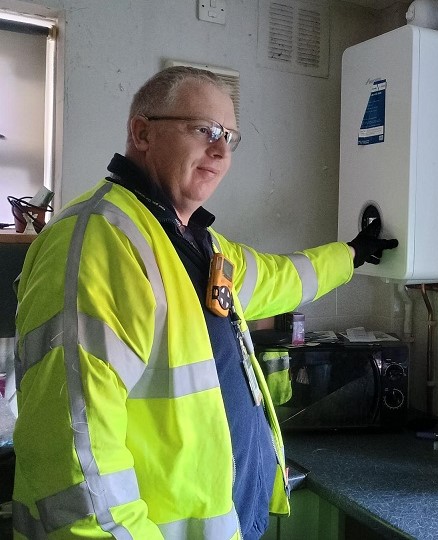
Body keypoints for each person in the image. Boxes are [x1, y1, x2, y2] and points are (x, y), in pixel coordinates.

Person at [12, 66, 397, 539]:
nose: (220, 149)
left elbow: (279, 278)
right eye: (204, 130)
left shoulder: (197, 244)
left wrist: (353, 254)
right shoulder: (97, 242)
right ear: (141, 132)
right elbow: (78, 462)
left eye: (229, 137)